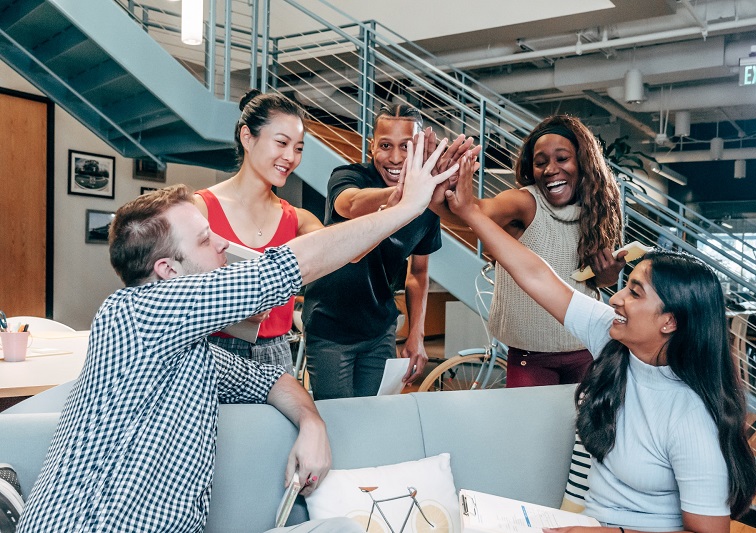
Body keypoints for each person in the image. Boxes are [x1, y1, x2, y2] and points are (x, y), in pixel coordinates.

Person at [17, 133, 458, 532]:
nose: (223, 244)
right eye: (205, 240)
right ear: (167, 271)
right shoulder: (135, 313)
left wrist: (312, 421)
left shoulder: (188, 351)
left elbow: (271, 380)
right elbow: (288, 267)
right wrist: (407, 207)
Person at [445, 153, 756, 533]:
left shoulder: (691, 416)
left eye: (635, 293)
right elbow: (537, 275)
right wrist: (469, 212)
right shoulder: (613, 340)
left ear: (670, 322)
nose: (616, 298)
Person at [431, 115, 625, 388]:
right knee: (527, 418)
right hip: (530, 357)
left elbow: (595, 283)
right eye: (540, 162)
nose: (550, 169)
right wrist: (442, 189)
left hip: (586, 348)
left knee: (582, 418)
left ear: (583, 163)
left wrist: (608, 275)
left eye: (562, 158)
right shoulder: (524, 202)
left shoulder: (596, 212)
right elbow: (475, 213)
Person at [301, 104, 473, 399]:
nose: (394, 158)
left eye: (406, 146)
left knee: (373, 416)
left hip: (379, 330)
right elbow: (350, 203)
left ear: (420, 149)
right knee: (337, 418)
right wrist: (405, 195)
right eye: (385, 146)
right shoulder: (348, 176)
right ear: (372, 146)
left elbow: (418, 273)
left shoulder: (427, 205)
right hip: (330, 327)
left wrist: (417, 334)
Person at [194, 90, 323, 371]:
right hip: (213, 352)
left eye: (298, 148)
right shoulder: (199, 209)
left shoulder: (298, 220)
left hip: (277, 354)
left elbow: (345, 253)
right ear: (247, 137)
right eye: (282, 143)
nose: (290, 157)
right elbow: (174, 292)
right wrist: (234, 310)